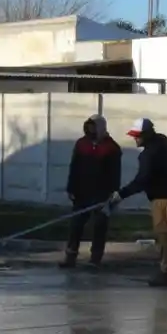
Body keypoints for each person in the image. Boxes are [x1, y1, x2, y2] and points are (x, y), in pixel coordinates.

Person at [107, 118, 167, 287]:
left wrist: (121, 194)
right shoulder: (166, 143)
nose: (135, 139)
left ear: (148, 134)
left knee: (165, 237)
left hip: (163, 200)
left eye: (138, 136)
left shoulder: (148, 155)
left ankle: (166, 273)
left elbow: (142, 180)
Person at [60, 114, 121, 269]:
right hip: (81, 192)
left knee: (99, 226)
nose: (90, 130)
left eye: (93, 127)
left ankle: (95, 259)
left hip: (102, 194)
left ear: (100, 128)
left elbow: (115, 173)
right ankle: (70, 256)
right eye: (88, 127)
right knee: (76, 225)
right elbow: (74, 167)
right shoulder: (81, 144)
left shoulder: (111, 147)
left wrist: (113, 193)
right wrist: (71, 188)